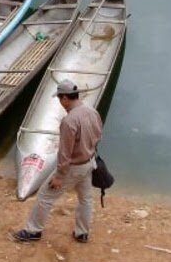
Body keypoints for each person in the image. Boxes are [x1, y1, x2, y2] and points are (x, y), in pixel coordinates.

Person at [13, 78, 103, 243]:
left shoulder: (69, 121)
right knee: (86, 199)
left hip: (73, 167)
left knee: (44, 197)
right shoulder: (92, 112)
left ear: (65, 98)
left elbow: (64, 153)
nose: (60, 102)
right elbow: (98, 135)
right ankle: (81, 233)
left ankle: (33, 231)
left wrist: (60, 176)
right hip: (89, 163)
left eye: (60, 98)